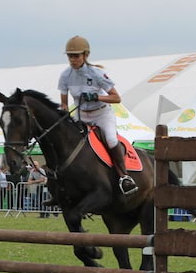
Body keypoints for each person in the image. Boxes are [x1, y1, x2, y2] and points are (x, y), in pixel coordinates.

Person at [58, 35, 137, 196]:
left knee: (111, 139)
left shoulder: (97, 74)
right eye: (70, 56)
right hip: (80, 116)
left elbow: (117, 98)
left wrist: (96, 97)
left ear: (85, 55)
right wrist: (64, 114)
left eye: (76, 56)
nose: (73, 60)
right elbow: (64, 104)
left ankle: (124, 177)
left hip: (101, 114)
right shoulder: (65, 75)